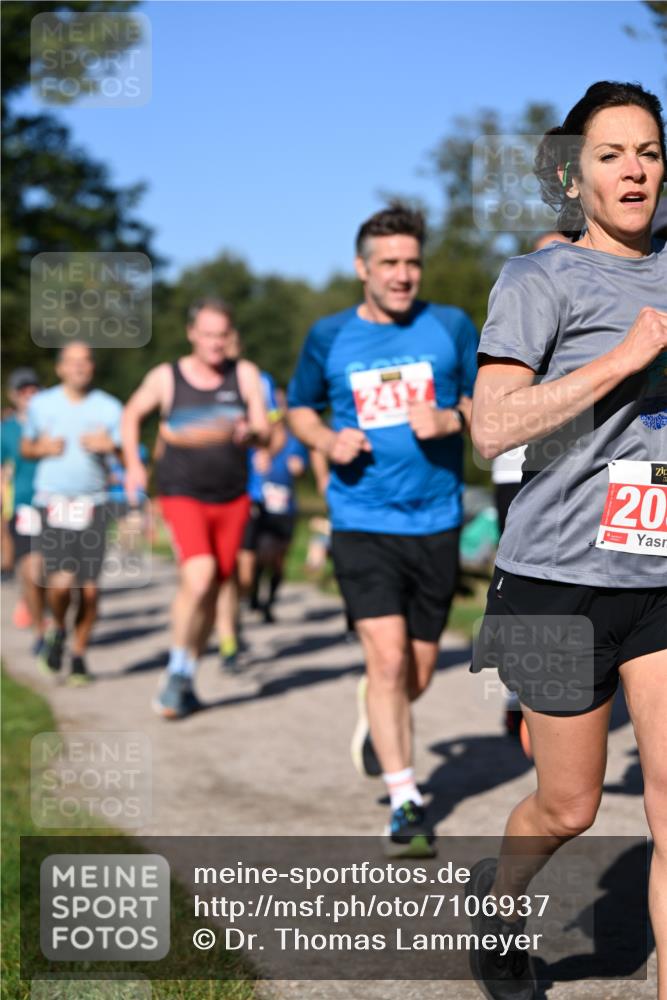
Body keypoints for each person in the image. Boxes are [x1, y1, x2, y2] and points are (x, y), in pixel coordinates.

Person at [470, 81, 667, 998]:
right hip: (555, 578)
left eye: (649, 153)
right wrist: (624, 358)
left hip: (659, 577)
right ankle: (499, 904)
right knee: (567, 806)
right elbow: (491, 427)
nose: (634, 171)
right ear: (570, 177)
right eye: (610, 154)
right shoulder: (537, 279)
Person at [288, 203, 478, 857]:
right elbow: (298, 408)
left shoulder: (450, 326)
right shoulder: (329, 335)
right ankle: (405, 801)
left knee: (415, 671)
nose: (402, 275)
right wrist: (325, 439)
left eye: (411, 262)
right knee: (390, 660)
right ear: (361, 268)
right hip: (361, 520)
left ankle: (379, 712)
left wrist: (452, 419)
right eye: (389, 263)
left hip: (437, 520)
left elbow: (490, 401)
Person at [121, 298, 270, 718]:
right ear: (192, 334)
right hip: (182, 492)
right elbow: (131, 414)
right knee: (200, 576)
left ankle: (187, 672)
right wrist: (133, 464)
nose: (215, 343)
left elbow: (264, 430)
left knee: (215, 588)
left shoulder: (245, 374)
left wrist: (251, 434)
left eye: (222, 335)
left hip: (233, 496)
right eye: (207, 334)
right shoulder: (167, 377)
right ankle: (175, 669)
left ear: (231, 336)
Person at [21, 343, 123, 684]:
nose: (79, 367)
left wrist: (111, 447)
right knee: (62, 584)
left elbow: (129, 455)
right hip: (54, 502)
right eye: (72, 362)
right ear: (60, 368)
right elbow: (26, 447)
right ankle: (58, 628)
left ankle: (79, 654)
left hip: (94, 503)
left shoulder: (110, 407)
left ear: (93, 367)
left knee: (90, 591)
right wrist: (41, 448)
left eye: (85, 361)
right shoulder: (41, 404)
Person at [214, 327, 282, 671]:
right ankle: (227, 641)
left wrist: (267, 449)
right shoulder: (195, 379)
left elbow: (277, 429)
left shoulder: (259, 381)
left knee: (243, 569)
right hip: (208, 488)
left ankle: (234, 618)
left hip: (248, 488)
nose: (223, 347)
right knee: (219, 569)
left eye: (230, 341)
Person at [243, 391, 309, 624]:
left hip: (285, 508)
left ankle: (269, 603)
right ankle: (253, 596)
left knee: (278, 560)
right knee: (258, 557)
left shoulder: (294, 441)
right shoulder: (254, 442)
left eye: (281, 405)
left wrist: (298, 467)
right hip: (259, 507)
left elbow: (300, 467)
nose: (277, 411)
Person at [1, 367, 46, 652]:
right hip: (23, 505)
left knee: (56, 573)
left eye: (33, 390)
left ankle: (51, 619)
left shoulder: (52, 422)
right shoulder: (6, 430)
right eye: (23, 391)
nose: (29, 396)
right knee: (31, 570)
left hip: (57, 504)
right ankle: (40, 631)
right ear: (13, 396)